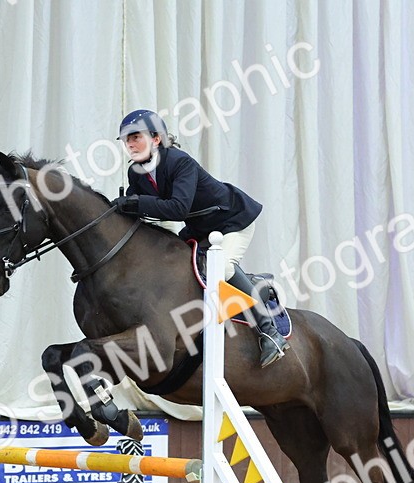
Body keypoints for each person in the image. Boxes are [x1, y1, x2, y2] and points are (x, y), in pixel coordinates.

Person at [110, 109, 289, 368]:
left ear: (156, 139)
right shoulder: (136, 173)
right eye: (127, 140)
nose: (130, 144)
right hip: (200, 228)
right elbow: (139, 211)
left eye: (135, 137)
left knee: (223, 269)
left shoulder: (180, 162)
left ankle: (269, 332)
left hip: (231, 221)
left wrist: (137, 203)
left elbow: (177, 209)